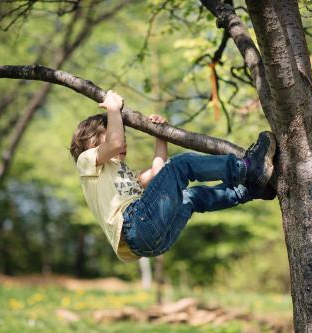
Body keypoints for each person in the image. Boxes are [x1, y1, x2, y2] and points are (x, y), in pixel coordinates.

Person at [70, 90, 276, 262]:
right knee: (181, 165)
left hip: (149, 243)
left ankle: (249, 190)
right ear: (92, 141)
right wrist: (114, 109)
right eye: (116, 133)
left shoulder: (123, 174)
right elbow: (114, 144)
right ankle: (248, 168)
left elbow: (160, 175)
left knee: (189, 197)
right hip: (135, 227)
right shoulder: (87, 162)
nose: (123, 143)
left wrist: (161, 135)